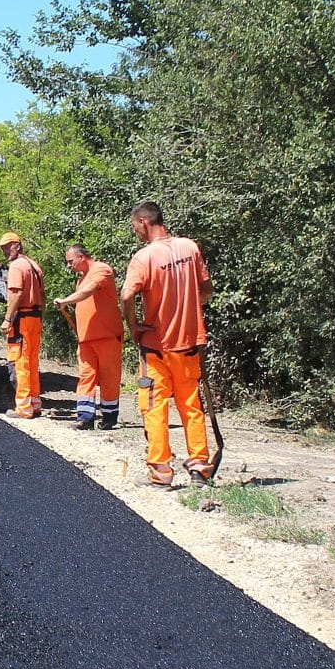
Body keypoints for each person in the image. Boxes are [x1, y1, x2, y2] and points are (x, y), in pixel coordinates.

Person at [121, 200, 214, 487]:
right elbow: (206, 289)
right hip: (188, 343)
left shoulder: (144, 258)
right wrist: (189, 310)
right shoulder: (190, 248)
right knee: (190, 404)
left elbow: (126, 295)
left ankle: (160, 471)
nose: (135, 231)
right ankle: (200, 466)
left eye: (135, 226)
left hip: (157, 346)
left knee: (154, 405)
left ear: (143, 222)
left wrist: (134, 325)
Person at [53, 243, 124, 430]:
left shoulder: (102, 270)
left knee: (109, 377)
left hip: (107, 336)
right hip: (86, 339)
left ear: (81, 257)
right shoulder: (81, 279)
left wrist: (65, 301)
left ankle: (109, 417)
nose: (69, 266)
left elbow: (90, 290)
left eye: (70, 262)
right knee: (86, 376)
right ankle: (85, 417)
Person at [0, 232, 45, 419]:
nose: (4, 250)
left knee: (20, 363)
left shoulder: (16, 266)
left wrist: (8, 319)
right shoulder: (33, 265)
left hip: (22, 320)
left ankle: (24, 409)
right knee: (32, 362)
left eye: (7, 246)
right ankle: (35, 404)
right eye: (3, 247)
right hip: (35, 318)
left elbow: (16, 294)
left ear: (17, 245)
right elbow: (42, 294)